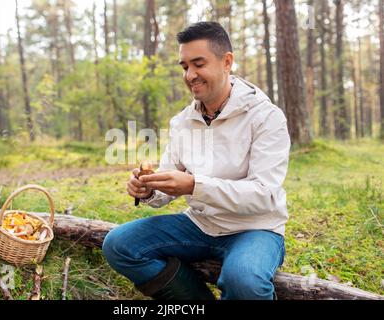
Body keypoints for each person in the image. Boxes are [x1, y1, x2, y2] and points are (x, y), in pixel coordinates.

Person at [102, 21, 291, 300]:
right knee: (118, 244)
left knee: (244, 281)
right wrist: (149, 189)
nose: (190, 75)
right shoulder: (182, 122)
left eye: (198, 64)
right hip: (199, 225)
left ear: (226, 62)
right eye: (184, 66)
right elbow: (169, 180)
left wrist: (193, 186)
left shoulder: (266, 117)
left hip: (255, 229)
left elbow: (263, 195)